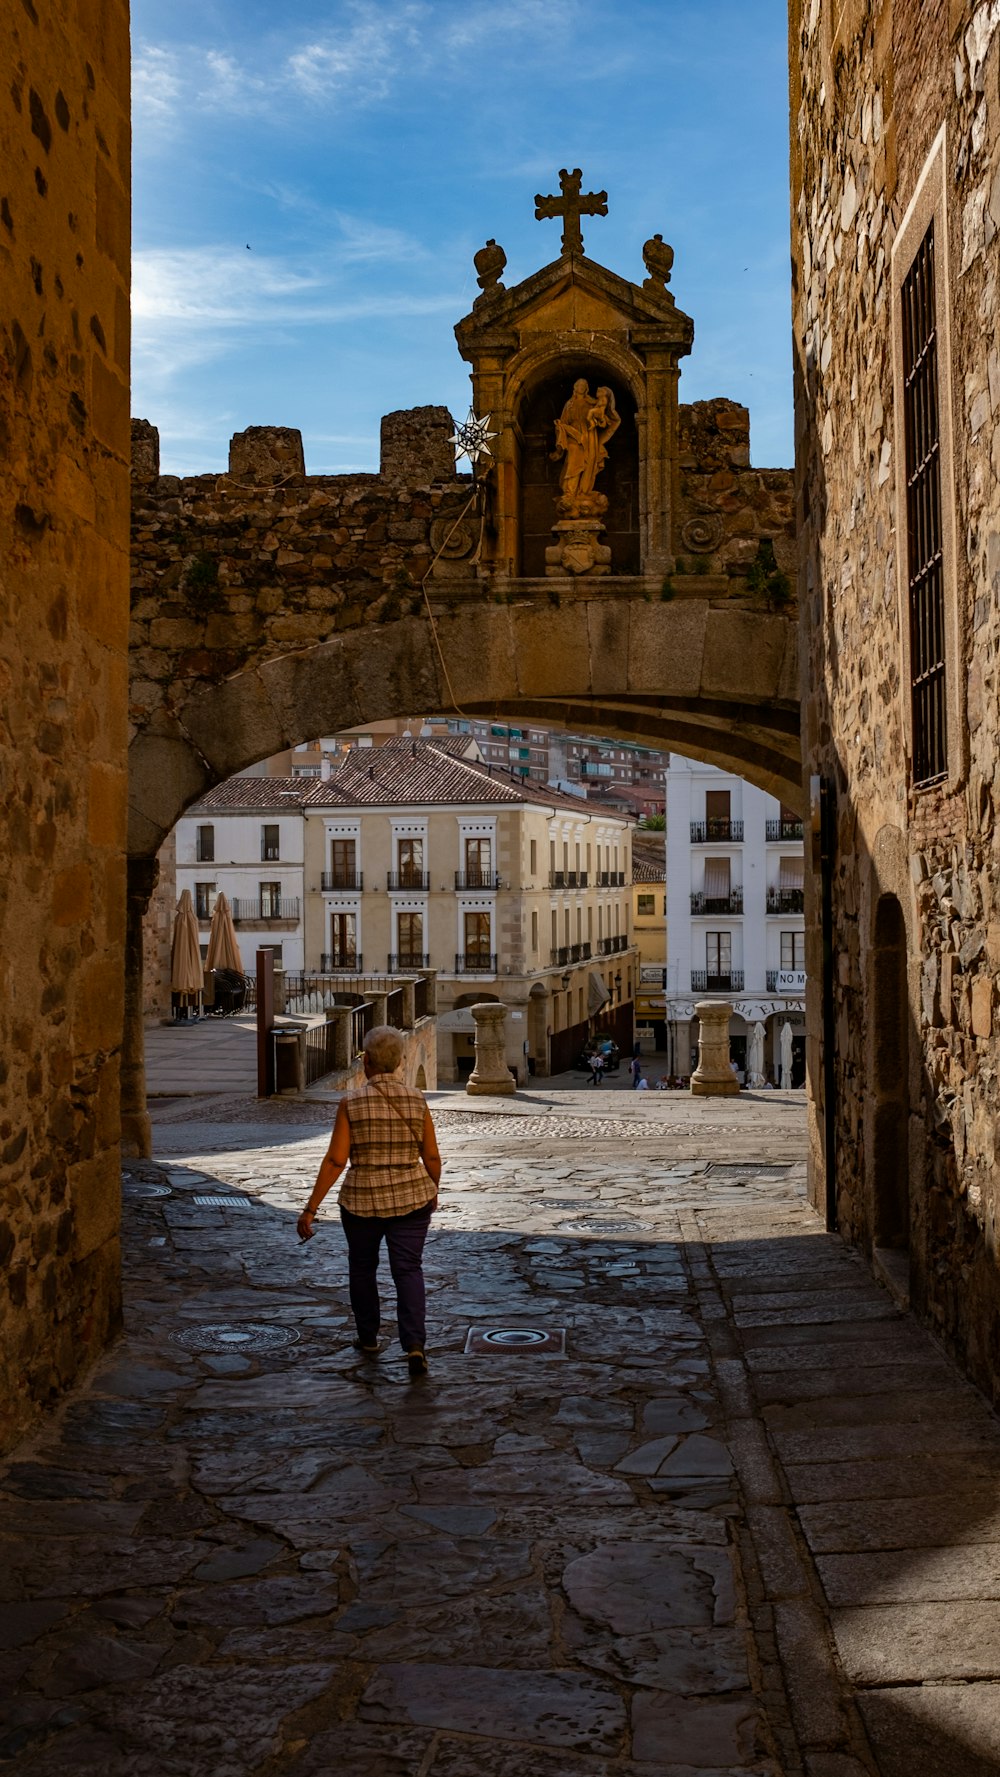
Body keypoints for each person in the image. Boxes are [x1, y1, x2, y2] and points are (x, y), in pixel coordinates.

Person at [297, 1025, 441, 1379]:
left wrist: (310, 1208)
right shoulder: (418, 1100)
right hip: (412, 1197)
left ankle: (368, 1337)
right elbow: (432, 1157)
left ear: (369, 1063)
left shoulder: (351, 1103)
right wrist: (432, 1190)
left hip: (362, 1201)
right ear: (399, 1063)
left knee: (362, 1268)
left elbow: (335, 1160)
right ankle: (415, 1345)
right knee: (408, 1269)